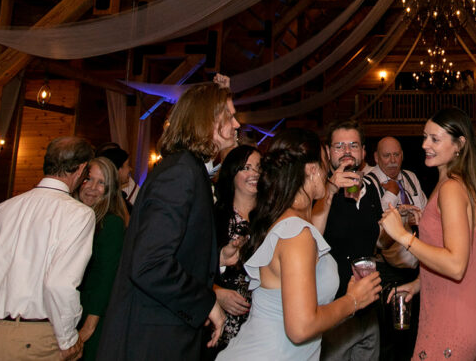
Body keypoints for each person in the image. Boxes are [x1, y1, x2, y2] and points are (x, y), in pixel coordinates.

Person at [98, 81, 243, 360]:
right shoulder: (180, 174)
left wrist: (215, 258)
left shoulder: (188, 170)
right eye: (230, 116)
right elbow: (150, 264)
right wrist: (206, 303)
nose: (237, 124)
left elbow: (173, 248)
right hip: (149, 340)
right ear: (207, 120)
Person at [219, 129, 381, 360]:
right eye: (325, 166)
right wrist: (354, 300)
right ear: (312, 170)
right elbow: (301, 328)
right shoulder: (296, 233)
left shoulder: (290, 222)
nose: (328, 175)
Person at [0, 137, 96, 360]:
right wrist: (68, 339)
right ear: (80, 169)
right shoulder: (78, 214)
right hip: (31, 339)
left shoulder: (1, 210)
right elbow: (59, 284)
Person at [379, 107, 476, 360]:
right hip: (459, 308)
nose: (425, 144)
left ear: (460, 145)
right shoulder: (453, 183)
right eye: (425, 137)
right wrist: (417, 285)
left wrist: (402, 235)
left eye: (435, 139)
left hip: (453, 315)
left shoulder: (452, 189)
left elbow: (456, 265)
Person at [312, 120, 384, 361]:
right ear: (328, 152)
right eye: (339, 146)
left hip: (369, 307)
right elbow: (310, 242)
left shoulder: (372, 191)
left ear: (363, 152)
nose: (346, 152)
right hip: (334, 309)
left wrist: (397, 229)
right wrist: (330, 191)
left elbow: (377, 244)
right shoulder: (317, 191)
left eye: (353, 145)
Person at [366, 136, 427, 361]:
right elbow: (375, 236)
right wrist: (391, 194)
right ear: (375, 157)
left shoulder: (410, 177)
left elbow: (425, 210)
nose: (392, 161)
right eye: (386, 155)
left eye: (396, 155)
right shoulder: (368, 182)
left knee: (414, 336)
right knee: (389, 340)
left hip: (416, 270)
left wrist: (417, 219)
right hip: (387, 273)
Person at [74, 155, 129, 361]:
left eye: (101, 183)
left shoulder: (110, 223)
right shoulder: (74, 218)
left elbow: (106, 279)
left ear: (110, 190)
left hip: (92, 317)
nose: (92, 187)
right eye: (89, 179)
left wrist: (88, 328)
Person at [208, 144, 261, 355]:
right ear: (232, 173)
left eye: (258, 167)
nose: (254, 174)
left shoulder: (271, 217)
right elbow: (193, 266)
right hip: (221, 320)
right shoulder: (214, 216)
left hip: (263, 321)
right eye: (246, 168)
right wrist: (216, 293)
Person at [97, 143, 139, 209]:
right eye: (127, 165)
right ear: (118, 170)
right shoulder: (110, 201)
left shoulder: (118, 197)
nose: (130, 169)